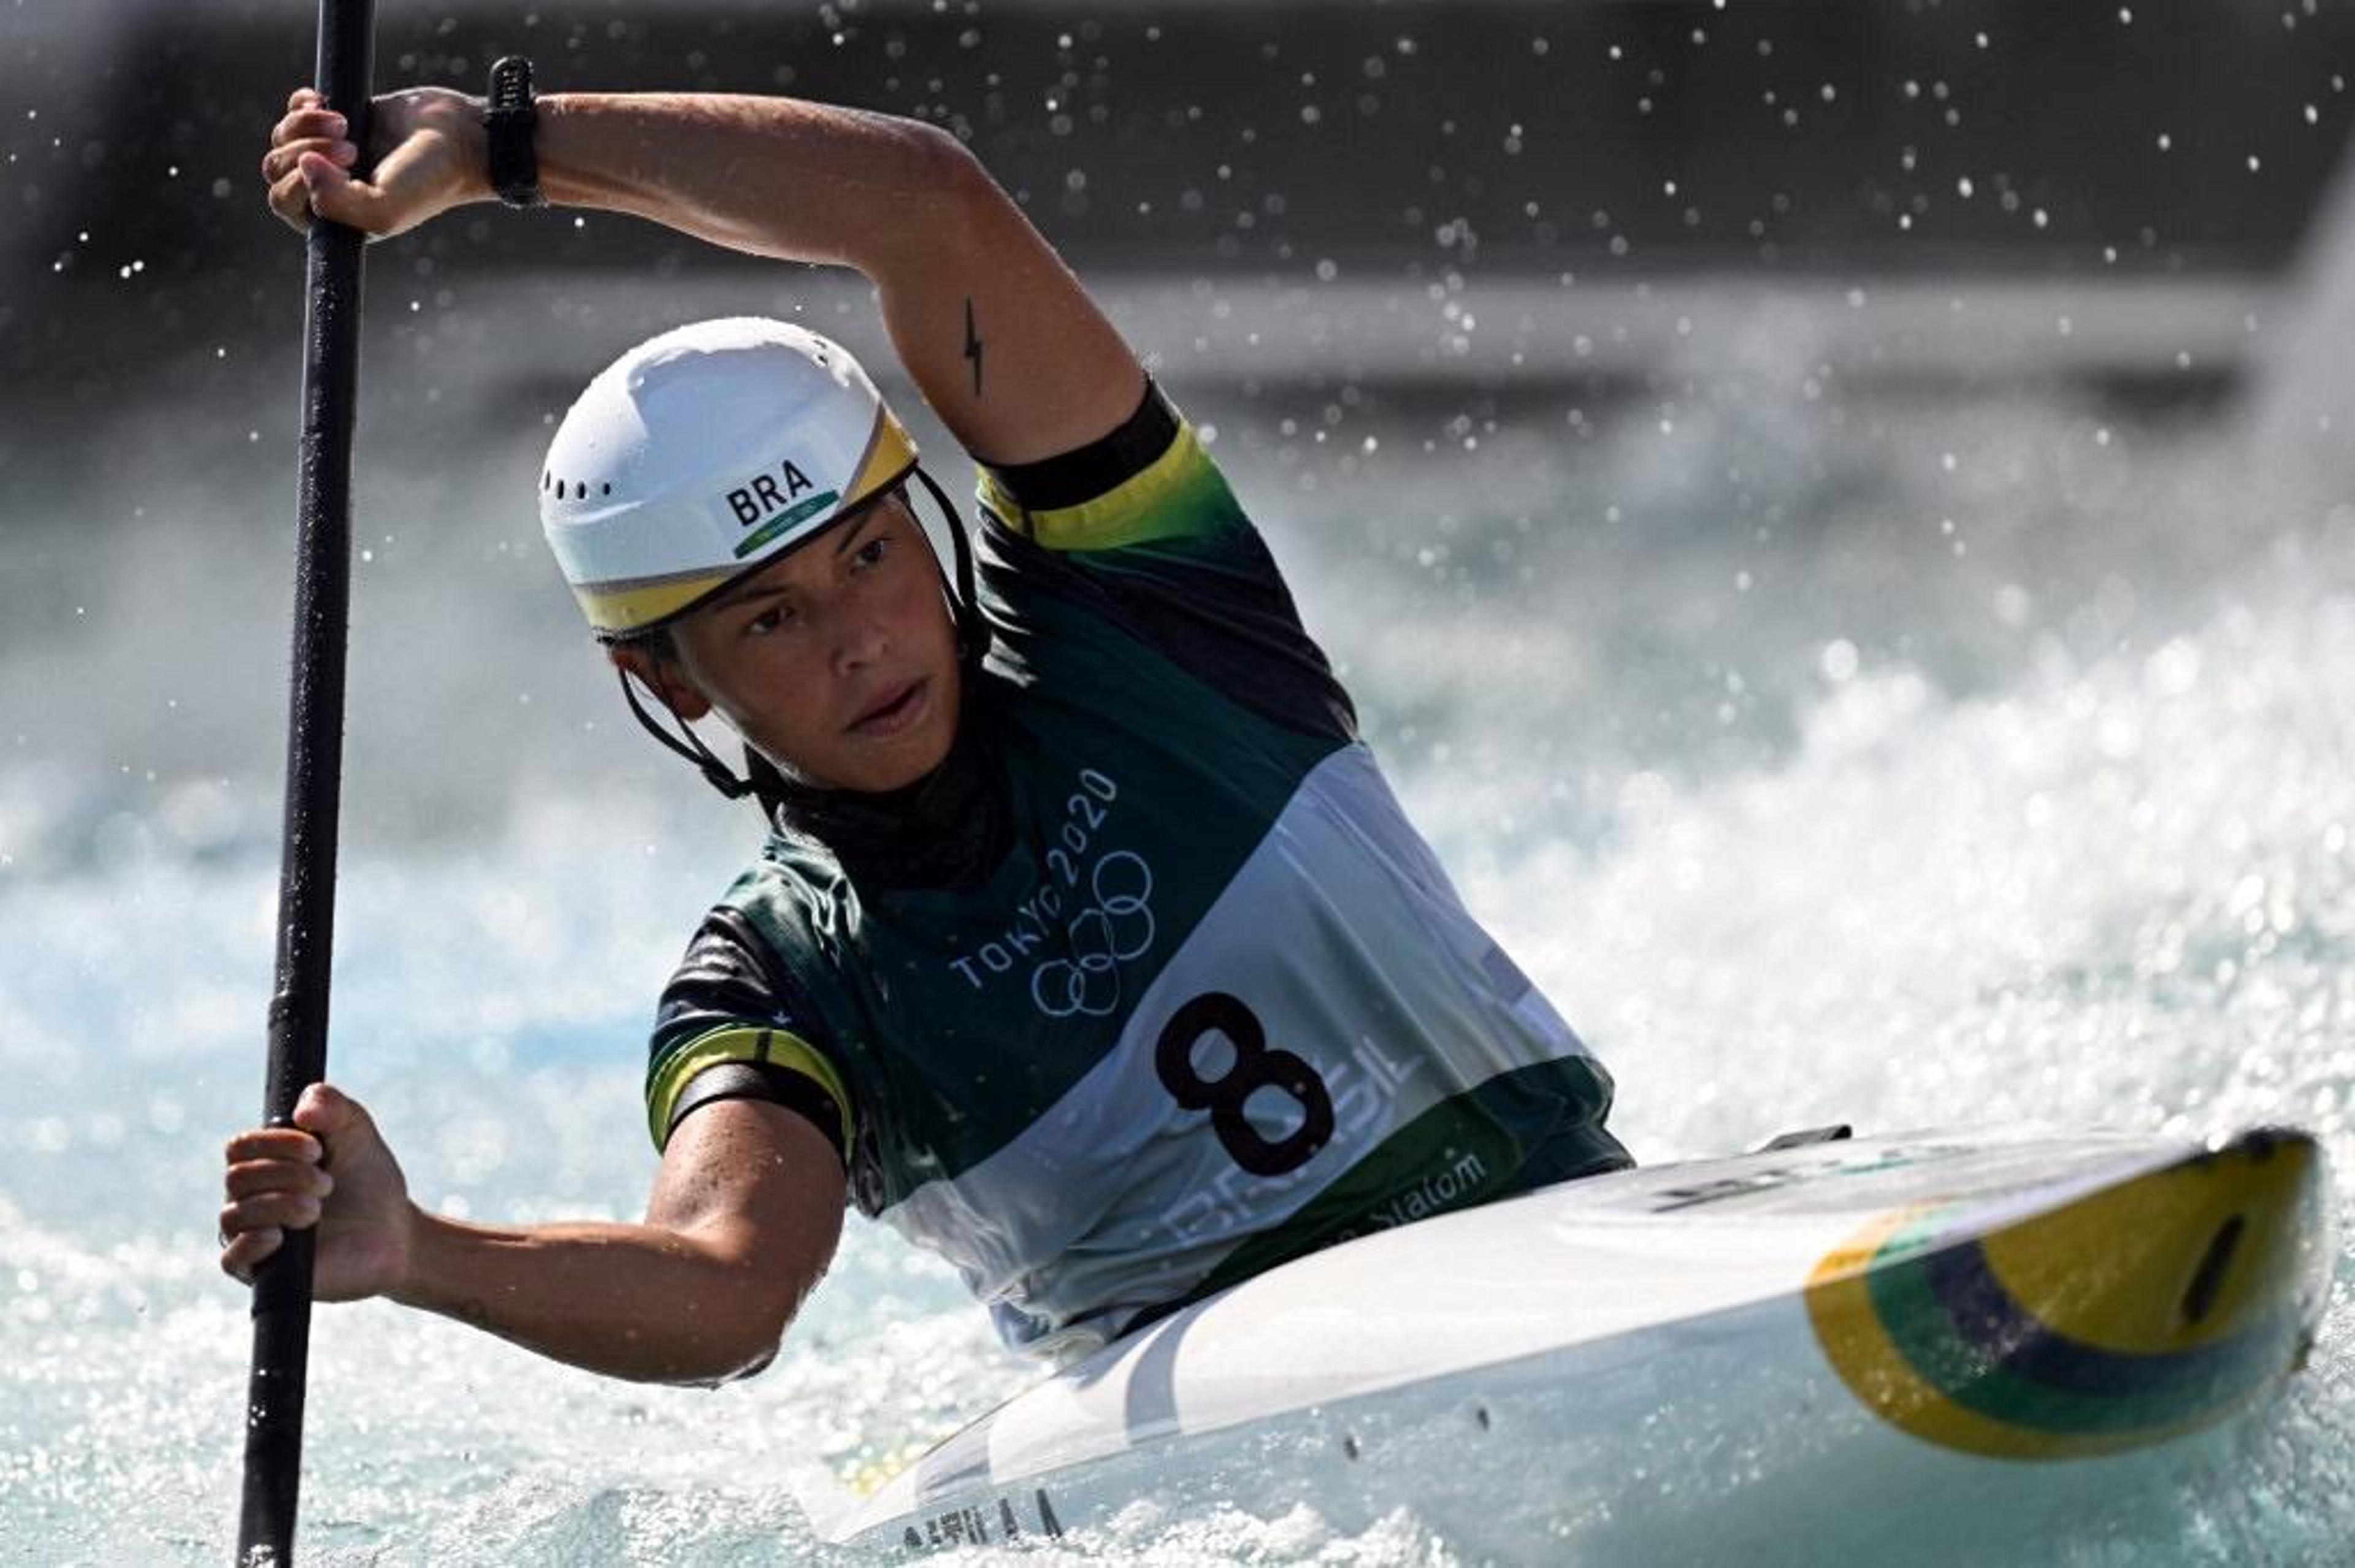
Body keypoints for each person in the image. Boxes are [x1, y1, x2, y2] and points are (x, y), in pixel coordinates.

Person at [220, 70, 1631, 1381]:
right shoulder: (783, 983)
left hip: (1560, 1241)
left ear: (925, 525)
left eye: (870, 558)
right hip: (1250, 1440)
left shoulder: (1154, 625)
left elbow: (924, 206)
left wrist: (495, 144)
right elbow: (727, 1289)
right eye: (770, 620)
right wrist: (416, 1250)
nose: (861, 642)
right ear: (673, 680)